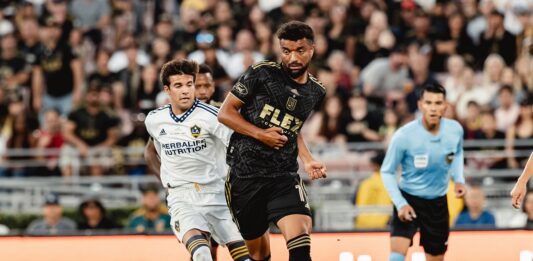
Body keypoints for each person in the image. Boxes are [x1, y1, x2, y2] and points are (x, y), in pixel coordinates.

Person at [218, 21, 327, 261]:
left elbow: (293, 128)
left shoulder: (316, 91)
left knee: (300, 248)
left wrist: (307, 160)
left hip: (283, 177)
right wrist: (260, 134)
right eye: (287, 51)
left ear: (312, 49)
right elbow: (225, 113)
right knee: (259, 255)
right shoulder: (261, 73)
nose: (293, 58)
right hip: (245, 176)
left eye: (300, 50)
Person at [144, 59, 249, 261]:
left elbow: (240, 151)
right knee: (201, 253)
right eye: (178, 85)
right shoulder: (154, 120)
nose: (185, 91)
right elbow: (151, 152)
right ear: (167, 90)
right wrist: (166, 182)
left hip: (218, 195)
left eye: (189, 84)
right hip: (182, 197)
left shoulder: (215, 117)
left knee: (245, 257)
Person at [380, 83, 467, 261]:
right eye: (428, 103)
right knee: (396, 256)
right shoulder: (404, 136)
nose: (433, 108)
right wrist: (400, 203)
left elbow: (457, 152)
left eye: (437, 103)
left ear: (445, 106)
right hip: (408, 199)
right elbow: (387, 171)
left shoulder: (455, 130)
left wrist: (458, 179)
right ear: (420, 105)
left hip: (437, 204)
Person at [354, 151, 392, 229]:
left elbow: (354, 203)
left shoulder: (363, 184)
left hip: (361, 228)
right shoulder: (392, 185)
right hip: (383, 229)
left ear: (375, 165)